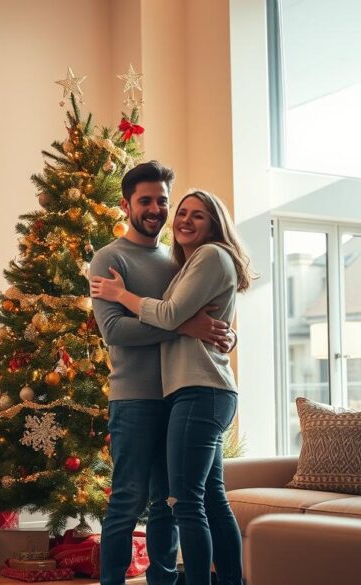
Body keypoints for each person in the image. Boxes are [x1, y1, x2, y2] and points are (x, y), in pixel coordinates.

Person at [91, 190, 253, 585]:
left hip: (196, 393)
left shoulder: (204, 257)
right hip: (150, 395)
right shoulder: (119, 258)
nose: (178, 218)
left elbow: (176, 314)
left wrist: (126, 296)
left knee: (184, 503)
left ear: (215, 223)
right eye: (181, 211)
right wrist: (189, 326)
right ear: (127, 205)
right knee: (195, 500)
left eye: (195, 214)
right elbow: (115, 329)